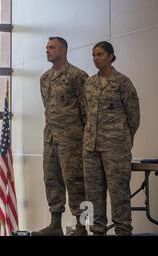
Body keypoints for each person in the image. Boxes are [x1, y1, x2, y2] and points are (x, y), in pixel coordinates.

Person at [32, 37, 88, 236]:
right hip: (51, 139)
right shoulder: (45, 78)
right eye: (46, 47)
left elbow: (86, 112)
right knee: (51, 179)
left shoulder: (78, 76)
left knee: (77, 183)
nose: (47, 50)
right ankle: (55, 224)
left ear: (63, 50)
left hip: (73, 141)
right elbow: (48, 108)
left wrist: (84, 141)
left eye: (51, 47)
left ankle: (83, 226)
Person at [83, 41, 140, 236]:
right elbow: (86, 114)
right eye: (93, 55)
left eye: (99, 54)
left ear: (110, 56)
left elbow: (134, 116)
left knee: (119, 192)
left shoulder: (122, 82)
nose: (95, 58)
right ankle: (96, 230)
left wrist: (123, 139)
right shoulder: (89, 83)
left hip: (115, 147)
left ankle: (123, 231)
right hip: (91, 147)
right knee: (92, 193)